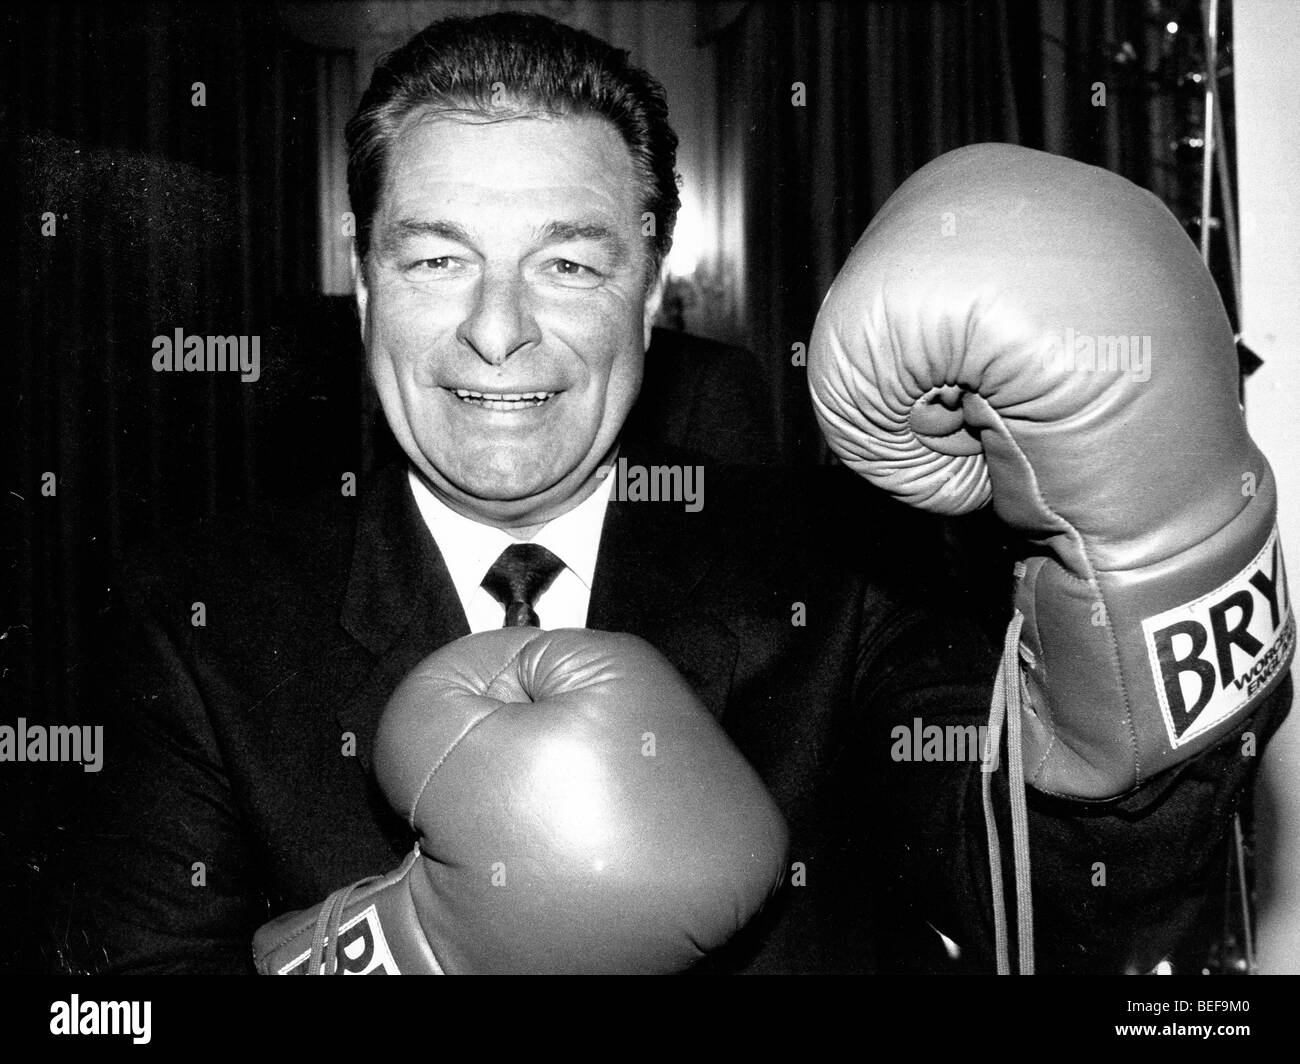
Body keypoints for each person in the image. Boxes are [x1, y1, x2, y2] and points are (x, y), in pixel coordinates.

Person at [59, 11, 1290, 975]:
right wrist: (400, 954)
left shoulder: (842, 572)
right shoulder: (197, 614)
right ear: (366, 279)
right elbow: (123, 1003)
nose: (498, 331)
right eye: (437, 258)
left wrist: (1160, 570)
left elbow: (1065, 903)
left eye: (569, 261)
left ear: (652, 286)